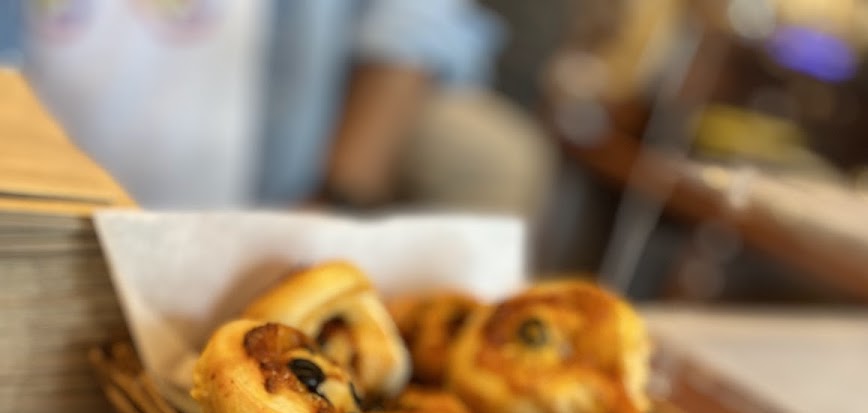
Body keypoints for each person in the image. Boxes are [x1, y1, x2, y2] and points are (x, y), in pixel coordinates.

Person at [21, 0, 554, 217]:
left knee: (495, 156)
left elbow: (415, 20)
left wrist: (338, 197)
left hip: (271, 187)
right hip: (39, 167)